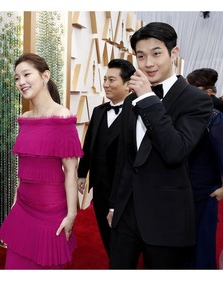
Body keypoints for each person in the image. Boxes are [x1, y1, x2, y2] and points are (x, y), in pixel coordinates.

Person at [107, 22, 213, 269]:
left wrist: (147, 98)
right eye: (141, 56)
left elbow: (175, 150)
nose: (148, 64)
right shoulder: (132, 98)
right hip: (126, 213)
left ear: (173, 53)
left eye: (156, 53)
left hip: (166, 217)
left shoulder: (196, 100)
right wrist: (114, 204)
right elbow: (125, 156)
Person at [0, 53, 83, 269]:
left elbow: (71, 172)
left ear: (45, 76)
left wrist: (71, 215)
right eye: (17, 78)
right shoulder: (25, 118)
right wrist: (17, 199)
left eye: (26, 74)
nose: (21, 82)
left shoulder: (62, 117)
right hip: (23, 207)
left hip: (50, 212)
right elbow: (25, 167)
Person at [77, 59, 135, 257]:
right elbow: (89, 143)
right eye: (105, 79)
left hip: (125, 190)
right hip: (100, 186)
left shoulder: (137, 112)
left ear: (128, 84)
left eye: (112, 80)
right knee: (106, 234)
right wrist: (82, 174)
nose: (106, 84)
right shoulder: (99, 111)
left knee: (123, 240)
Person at [186, 68, 223, 268]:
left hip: (205, 189)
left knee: (200, 240)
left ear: (207, 92)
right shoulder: (187, 113)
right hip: (183, 186)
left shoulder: (216, 119)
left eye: (192, 88)